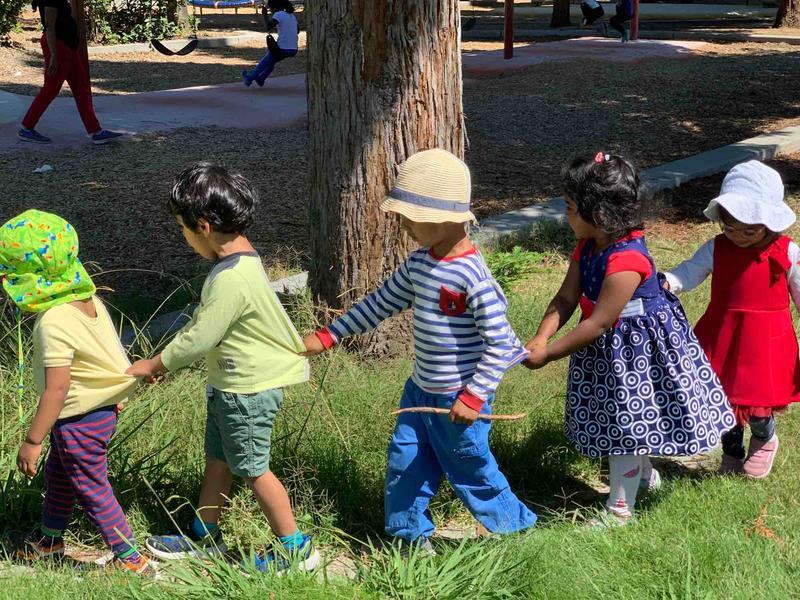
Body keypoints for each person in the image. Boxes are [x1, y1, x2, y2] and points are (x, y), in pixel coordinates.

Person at [303, 149, 538, 550]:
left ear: (443, 217)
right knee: (406, 462)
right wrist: (331, 334)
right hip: (419, 391)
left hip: (460, 398)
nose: (404, 225)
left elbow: (502, 344)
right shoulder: (419, 263)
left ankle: (516, 531)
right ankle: (409, 535)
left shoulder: (471, 275)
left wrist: (474, 395)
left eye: (411, 218)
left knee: (470, 467)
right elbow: (380, 303)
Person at [127, 163, 319, 574]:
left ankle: (296, 549)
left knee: (253, 470)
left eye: (183, 229)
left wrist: (156, 363)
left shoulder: (230, 278)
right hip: (230, 385)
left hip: (247, 391)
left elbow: (200, 337)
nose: (184, 238)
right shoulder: (243, 262)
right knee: (218, 461)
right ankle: (204, 535)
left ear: (202, 225)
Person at [524, 152, 734, 526]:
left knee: (624, 427)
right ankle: (646, 477)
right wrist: (541, 336)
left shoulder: (627, 260)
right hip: (610, 351)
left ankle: (619, 512)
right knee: (622, 421)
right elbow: (566, 298)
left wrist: (549, 354)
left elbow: (600, 322)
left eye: (571, 208)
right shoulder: (587, 247)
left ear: (601, 215)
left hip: (638, 352)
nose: (566, 215)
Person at [2, 210, 149, 573]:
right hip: (101, 410)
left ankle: (131, 560)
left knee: (91, 487)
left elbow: (57, 388)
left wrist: (33, 440)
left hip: (77, 419)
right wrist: (119, 395)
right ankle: (48, 540)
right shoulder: (89, 302)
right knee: (62, 475)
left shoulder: (53, 321)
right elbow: (110, 354)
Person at [664, 161, 800, 479]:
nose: (737, 235)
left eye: (748, 230)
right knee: (720, 400)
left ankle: (765, 439)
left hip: (764, 341)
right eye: (729, 227)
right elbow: (689, 271)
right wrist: (669, 281)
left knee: (757, 401)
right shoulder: (717, 249)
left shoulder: (787, 253)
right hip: (721, 336)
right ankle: (731, 452)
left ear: (769, 221)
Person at [18, 0, 122, 144]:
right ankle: (27, 127)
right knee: (51, 89)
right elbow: (49, 27)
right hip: (57, 47)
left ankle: (95, 131)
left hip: (68, 47)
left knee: (81, 88)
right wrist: (54, 56)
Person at [242, 0, 299, 87]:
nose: (271, 12)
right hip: (293, 49)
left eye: (270, 10)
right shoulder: (292, 16)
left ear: (274, 8)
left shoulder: (278, 14)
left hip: (283, 48)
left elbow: (268, 27)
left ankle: (249, 79)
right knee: (271, 61)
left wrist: (265, 14)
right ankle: (261, 79)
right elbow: (297, 30)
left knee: (264, 63)